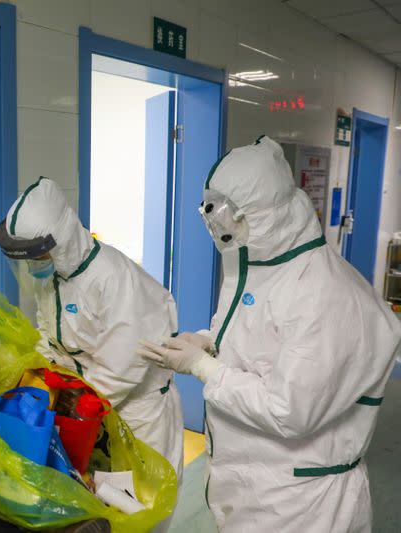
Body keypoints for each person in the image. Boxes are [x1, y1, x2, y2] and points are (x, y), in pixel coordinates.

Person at [138, 136, 401, 532]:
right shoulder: (259, 265)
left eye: (231, 215)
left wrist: (204, 367)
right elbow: (253, 335)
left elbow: (288, 410)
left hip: (302, 506)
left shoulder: (325, 294)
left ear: (269, 212)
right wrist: (209, 342)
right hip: (256, 490)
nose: (222, 227)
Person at [0, 177, 184, 483]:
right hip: (93, 404)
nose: (33, 264)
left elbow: (123, 366)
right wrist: (38, 377)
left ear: (62, 239)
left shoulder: (113, 278)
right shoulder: (52, 275)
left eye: (37, 255)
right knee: (102, 497)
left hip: (138, 410)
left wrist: (76, 404)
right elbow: (48, 334)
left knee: (143, 501)